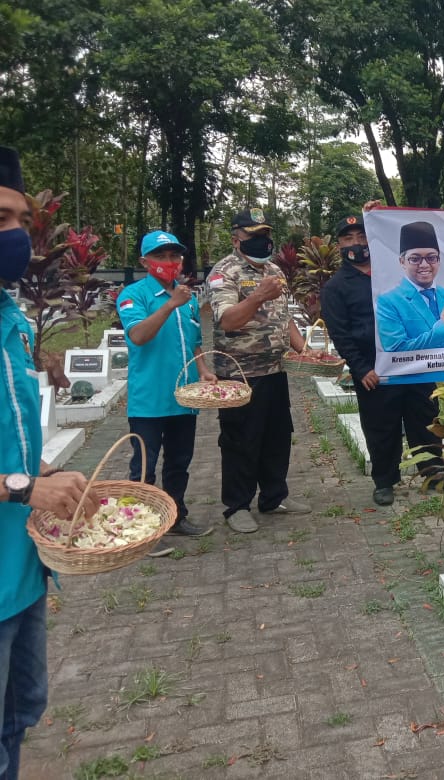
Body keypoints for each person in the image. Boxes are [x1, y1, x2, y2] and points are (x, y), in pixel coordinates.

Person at [0, 146, 100, 779]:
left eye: (13, 219)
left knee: (18, 716)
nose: (10, 234)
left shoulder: (10, 316)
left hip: (21, 570)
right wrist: (21, 487)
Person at [322, 211, 444, 507]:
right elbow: (340, 333)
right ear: (339, 245)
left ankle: (433, 473)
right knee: (381, 427)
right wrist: (360, 367)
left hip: (414, 364)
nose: (357, 242)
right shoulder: (336, 287)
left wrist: (378, 214)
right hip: (375, 371)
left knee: (426, 420)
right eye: (348, 238)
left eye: (363, 236)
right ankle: (385, 481)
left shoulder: (393, 273)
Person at [206, 208, 312, 533]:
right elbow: (227, 320)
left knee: (277, 436)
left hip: (275, 370)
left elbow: (285, 317)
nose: (262, 242)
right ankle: (237, 506)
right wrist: (257, 296)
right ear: (236, 240)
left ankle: (273, 496)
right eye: (254, 236)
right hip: (239, 374)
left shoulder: (273, 269)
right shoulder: (224, 273)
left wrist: (304, 350)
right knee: (240, 440)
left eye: (265, 235)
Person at [117, 230, 215, 538]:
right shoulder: (135, 295)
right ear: (144, 261)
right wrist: (170, 304)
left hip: (184, 399)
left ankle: (175, 517)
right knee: (144, 468)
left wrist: (202, 368)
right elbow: (138, 336)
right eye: (161, 256)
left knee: (179, 463)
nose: (169, 262)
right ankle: (141, 530)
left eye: (175, 255)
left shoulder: (187, 299)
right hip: (148, 401)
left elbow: (196, 339)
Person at [376, 220, 444, 352]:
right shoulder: (388, 301)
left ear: (438, 260)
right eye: (415, 259)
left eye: (431, 258)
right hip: (416, 373)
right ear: (402, 262)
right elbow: (396, 351)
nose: (424, 265)